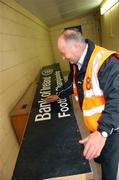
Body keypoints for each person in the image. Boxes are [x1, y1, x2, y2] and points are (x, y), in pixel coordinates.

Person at [46, 28, 119, 180]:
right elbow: (72, 83)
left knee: (109, 164)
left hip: (111, 127)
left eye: (63, 52)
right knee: (98, 155)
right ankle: (99, 155)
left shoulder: (105, 62)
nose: (63, 57)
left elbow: (117, 98)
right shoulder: (76, 61)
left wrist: (102, 132)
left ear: (76, 47)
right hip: (94, 123)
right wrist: (59, 95)